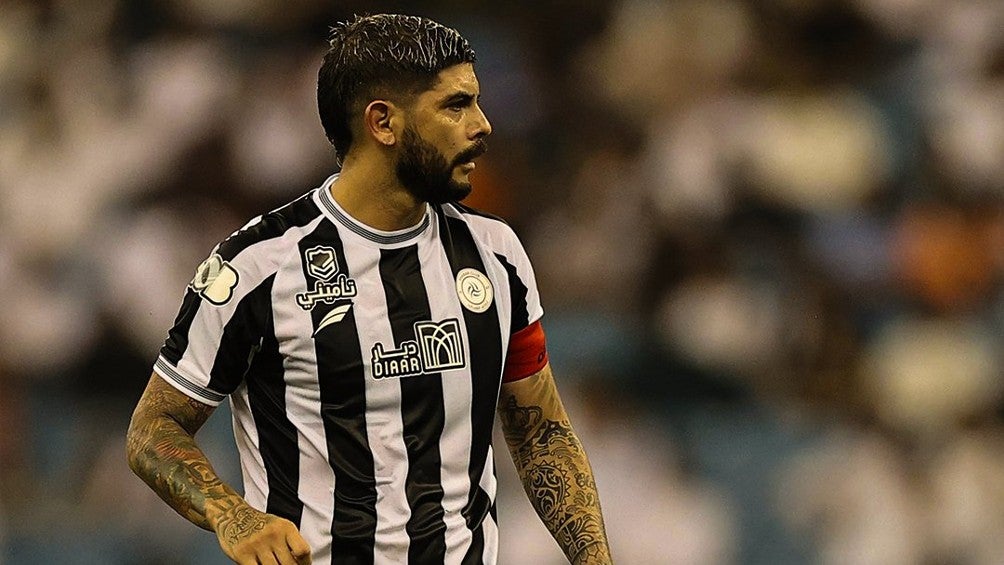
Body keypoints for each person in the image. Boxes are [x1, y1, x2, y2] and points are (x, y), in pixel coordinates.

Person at [126, 13, 612, 565]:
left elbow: (541, 434)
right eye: (456, 105)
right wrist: (231, 514)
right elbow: (153, 429)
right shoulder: (259, 267)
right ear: (383, 122)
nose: (483, 125)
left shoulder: (495, 252)